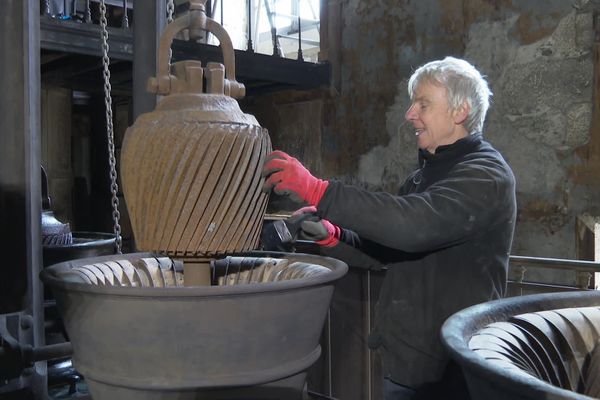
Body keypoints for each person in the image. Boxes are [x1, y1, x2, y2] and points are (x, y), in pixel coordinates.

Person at [261, 56, 516, 399]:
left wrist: (319, 190)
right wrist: (334, 236)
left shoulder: (486, 174)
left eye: (423, 104)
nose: (410, 114)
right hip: (409, 363)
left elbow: (414, 225)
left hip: (454, 371)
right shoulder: (421, 178)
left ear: (459, 111)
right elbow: (389, 248)